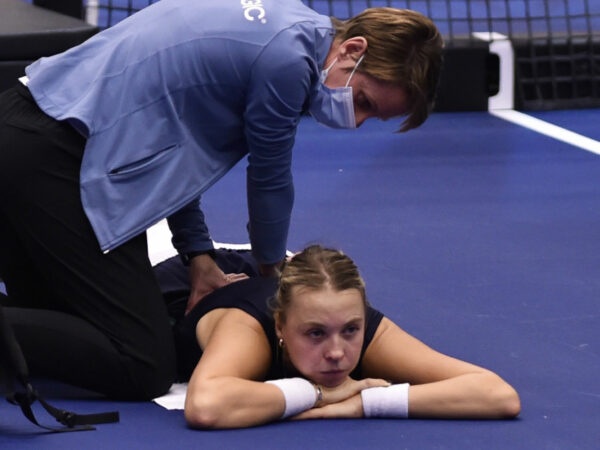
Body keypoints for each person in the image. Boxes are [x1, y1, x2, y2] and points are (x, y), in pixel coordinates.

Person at [0, 1, 443, 400]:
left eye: (371, 118)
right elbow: (269, 179)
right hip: (52, 161)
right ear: (352, 49)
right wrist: (273, 276)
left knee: (59, 321)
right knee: (142, 364)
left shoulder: (286, 22)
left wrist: (197, 253)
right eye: (363, 100)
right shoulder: (287, 63)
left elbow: (170, 158)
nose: (356, 119)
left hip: (23, 128)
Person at [162, 245, 520, 429]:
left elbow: (497, 395)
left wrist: (362, 404)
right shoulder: (249, 328)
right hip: (174, 296)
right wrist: (320, 393)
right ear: (280, 327)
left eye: (350, 330)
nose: (337, 352)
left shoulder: (361, 327)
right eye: (315, 333)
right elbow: (206, 406)